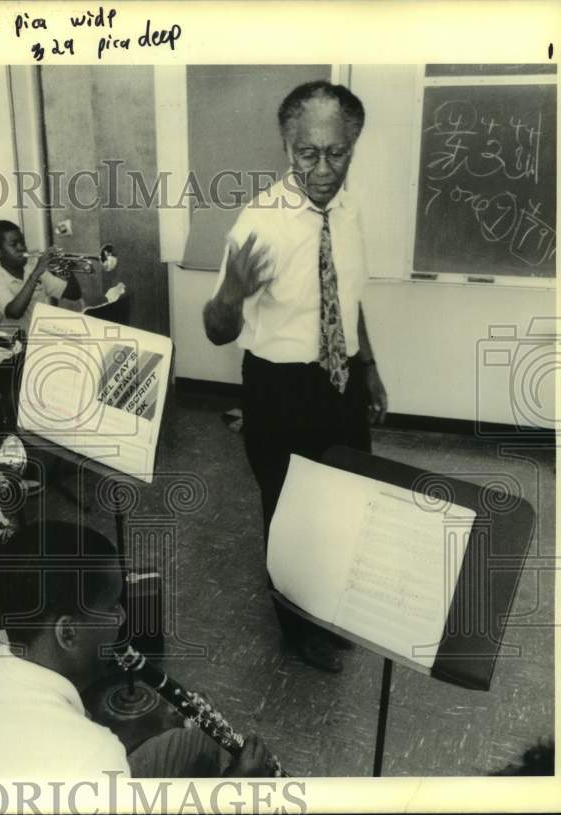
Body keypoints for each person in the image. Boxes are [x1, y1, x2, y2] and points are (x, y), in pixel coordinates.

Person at [203, 81, 388, 674]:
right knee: (289, 517)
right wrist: (232, 292)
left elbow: (346, 294)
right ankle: (295, 628)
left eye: (337, 152)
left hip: (342, 383)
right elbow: (216, 329)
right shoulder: (260, 221)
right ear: (287, 147)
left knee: (344, 505)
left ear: (353, 145)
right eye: (308, 153)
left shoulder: (352, 209)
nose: (323, 168)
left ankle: (326, 609)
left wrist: (370, 368)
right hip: (279, 388)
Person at [0, 520, 273, 778]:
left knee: (197, 736)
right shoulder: (94, 757)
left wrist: (147, 730)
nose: (122, 616)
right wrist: (236, 789)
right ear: (68, 632)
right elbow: (85, 756)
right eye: (112, 606)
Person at [0, 220, 81, 336]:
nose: (21, 247)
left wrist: (66, 269)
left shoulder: (31, 268)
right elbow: (14, 312)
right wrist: (36, 273)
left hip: (39, 338)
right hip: (15, 346)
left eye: (22, 242)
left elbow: (74, 294)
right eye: (14, 244)